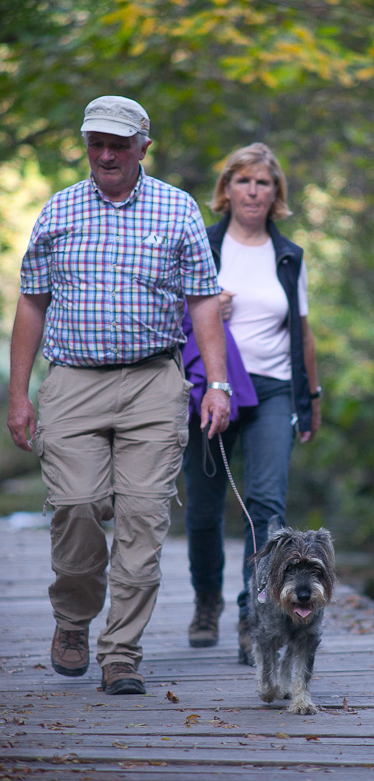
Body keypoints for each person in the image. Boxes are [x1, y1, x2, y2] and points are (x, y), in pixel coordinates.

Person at [7, 95, 231, 695]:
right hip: (73, 381)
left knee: (142, 517)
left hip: (154, 382)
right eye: (95, 143)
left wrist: (217, 383)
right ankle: (73, 622)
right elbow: (31, 300)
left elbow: (203, 299)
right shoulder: (58, 211)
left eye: (118, 144)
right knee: (76, 507)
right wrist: (19, 393)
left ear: (143, 147)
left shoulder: (176, 210)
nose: (106, 154)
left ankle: (121, 653)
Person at [181, 143, 321, 664]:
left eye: (264, 183)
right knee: (203, 510)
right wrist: (206, 309)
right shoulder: (204, 245)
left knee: (267, 507)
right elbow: (170, 315)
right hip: (215, 389)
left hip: (274, 390)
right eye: (244, 181)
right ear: (227, 189)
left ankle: (251, 615)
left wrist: (311, 397)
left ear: (276, 194)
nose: (254, 191)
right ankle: (206, 601)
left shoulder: (289, 255)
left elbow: (302, 333)